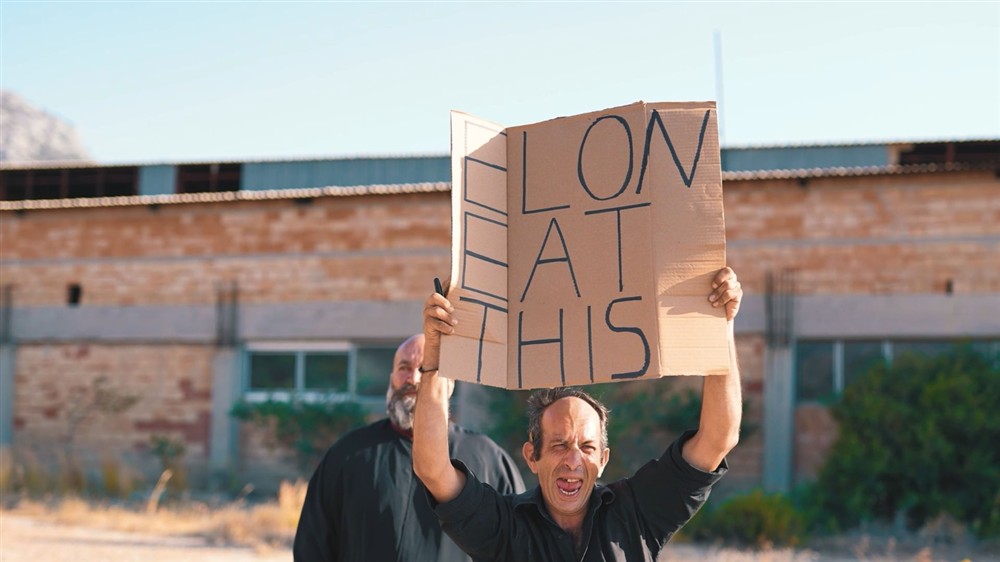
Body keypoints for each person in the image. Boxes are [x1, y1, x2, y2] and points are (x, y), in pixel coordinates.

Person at [413, 267, 744, 561]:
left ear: (603, 457)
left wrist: (721, 326)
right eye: (559, 445)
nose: (573, 461)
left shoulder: (637, 514)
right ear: (532, 456)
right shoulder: (504, 529)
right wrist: (435, 360)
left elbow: (718, 438)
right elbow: (433, 469)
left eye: (587, 447)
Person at [293, 334, 526, 562]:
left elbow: (517, 546)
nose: (413, 378)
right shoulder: (348, 455)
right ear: (391, 377)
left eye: (426, 369)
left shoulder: (489, 460)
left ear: (450, 384)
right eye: (404, 368)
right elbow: (313, 547)